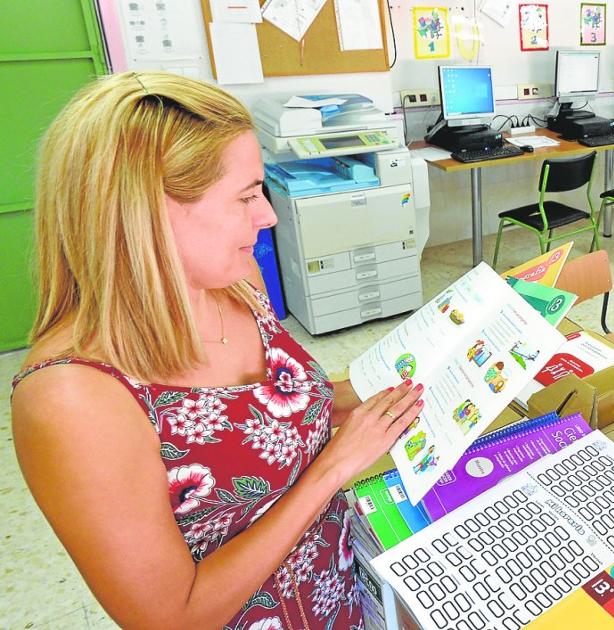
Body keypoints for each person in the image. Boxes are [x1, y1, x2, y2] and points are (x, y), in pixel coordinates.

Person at [11, 71, 425, 628]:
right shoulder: (73, 397)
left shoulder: (238, 283)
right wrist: (332, 468)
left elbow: (288, 408)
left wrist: (416, 373)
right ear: (148, 210)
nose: (268, 216)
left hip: (339, 596)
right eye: (247, 195)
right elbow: (171, 617)